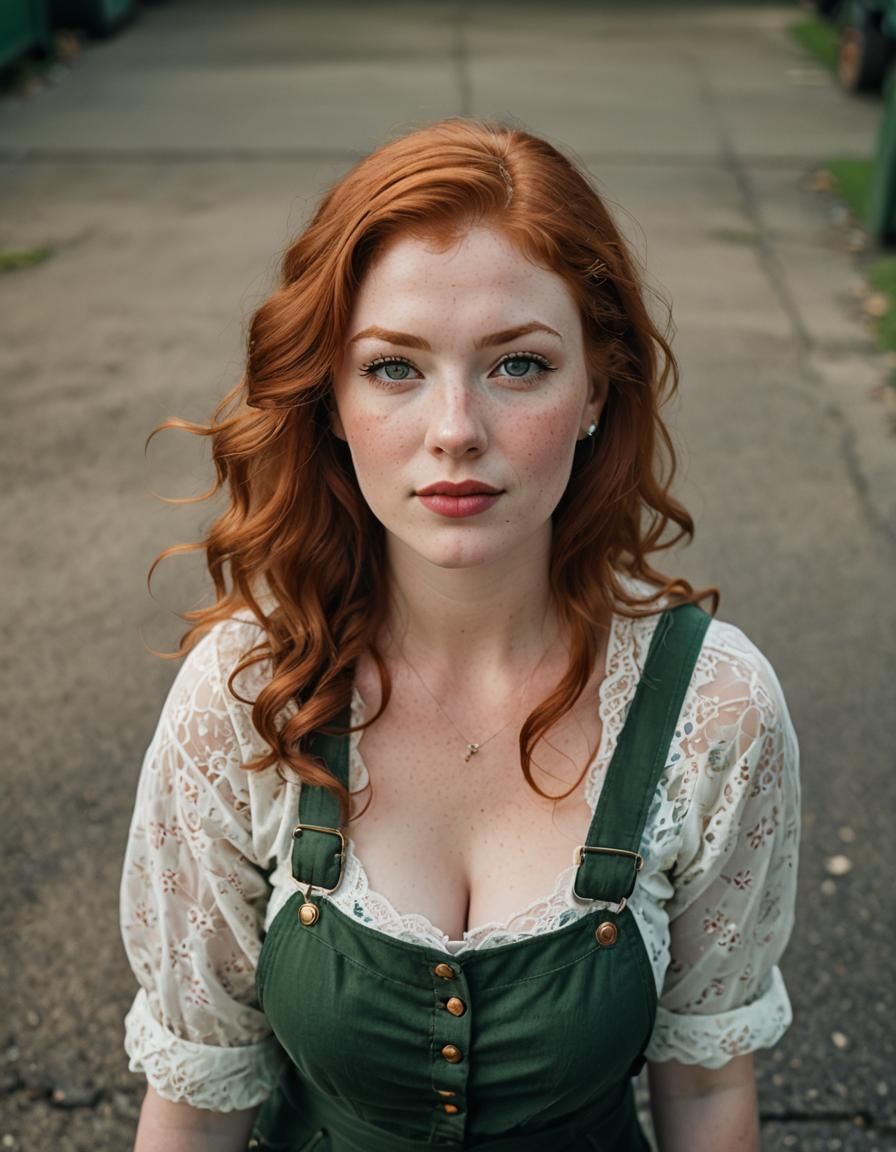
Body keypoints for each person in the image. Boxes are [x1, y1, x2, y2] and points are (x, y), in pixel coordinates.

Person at [120, 117, 800, 1152]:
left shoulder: (714, 707)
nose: (454, 430)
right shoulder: (248, 694)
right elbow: (201, 1100)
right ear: (331, 401)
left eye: (516, 366)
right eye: (394, 368)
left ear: (594, 390)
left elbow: (705, 1090)